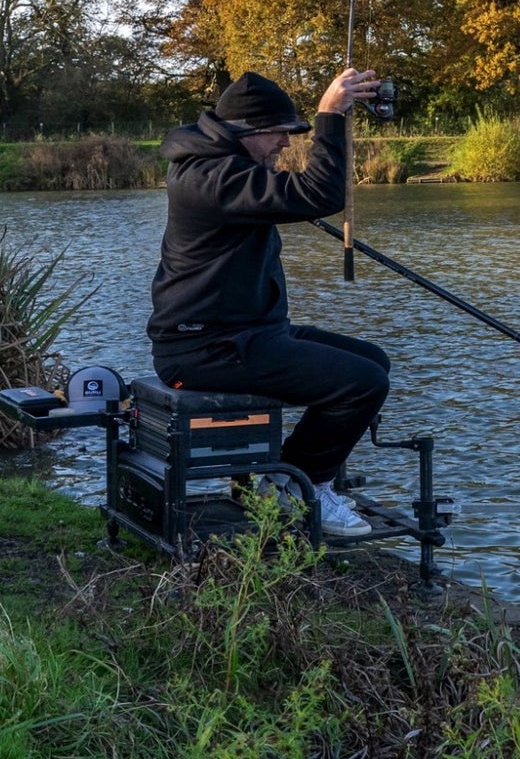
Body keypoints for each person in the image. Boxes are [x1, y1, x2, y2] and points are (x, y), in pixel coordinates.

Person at [148, 66, 387, 538]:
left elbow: (292, 197)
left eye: (295, 133)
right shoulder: (211, 178)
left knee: (371, 360)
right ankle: (298, 486)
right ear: (246, 132)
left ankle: (290, 477)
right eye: (282, 133)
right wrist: (328, 116)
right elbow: (320, 193)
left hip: (247, 332)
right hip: (203, 349)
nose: (286, 144)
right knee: (361, 383)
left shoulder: (230, 170)